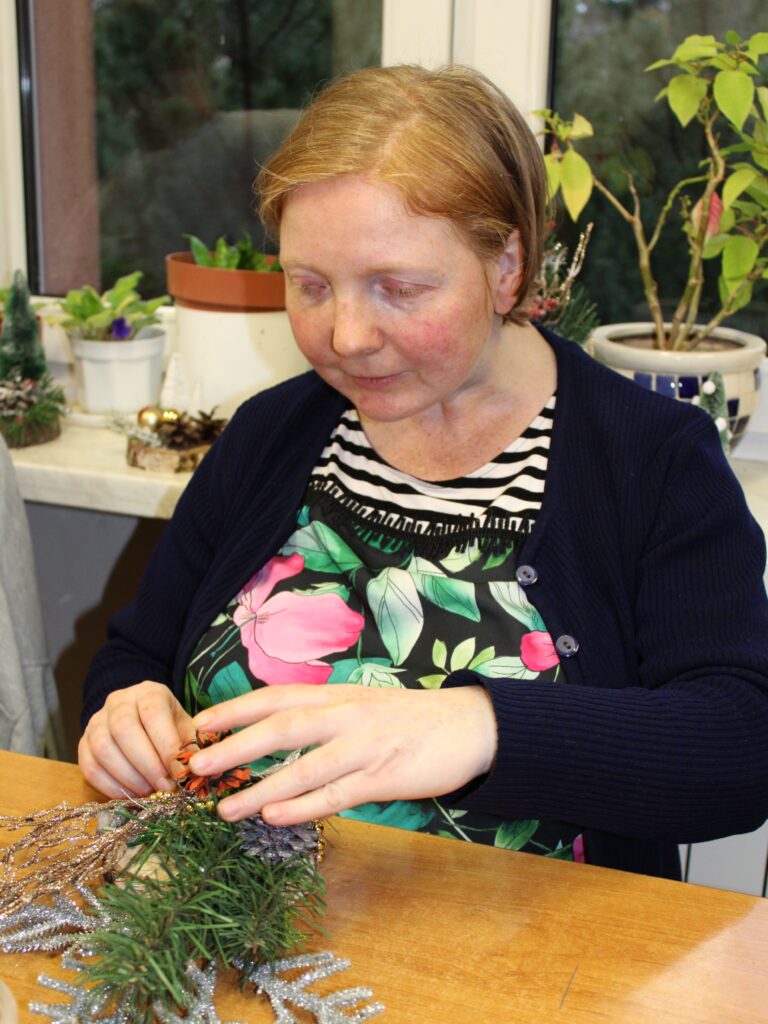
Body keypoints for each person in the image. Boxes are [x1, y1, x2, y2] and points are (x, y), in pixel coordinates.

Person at [79, 64, 768, 879]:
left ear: (507, 267)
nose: (347, 336)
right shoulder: (271, 434)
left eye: (399, 288)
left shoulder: (651, 460)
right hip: (240, 926)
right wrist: (127, 711)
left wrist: (479, 728)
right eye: (309, 285)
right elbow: (137, 654)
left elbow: (741, 744)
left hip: (538, 946)